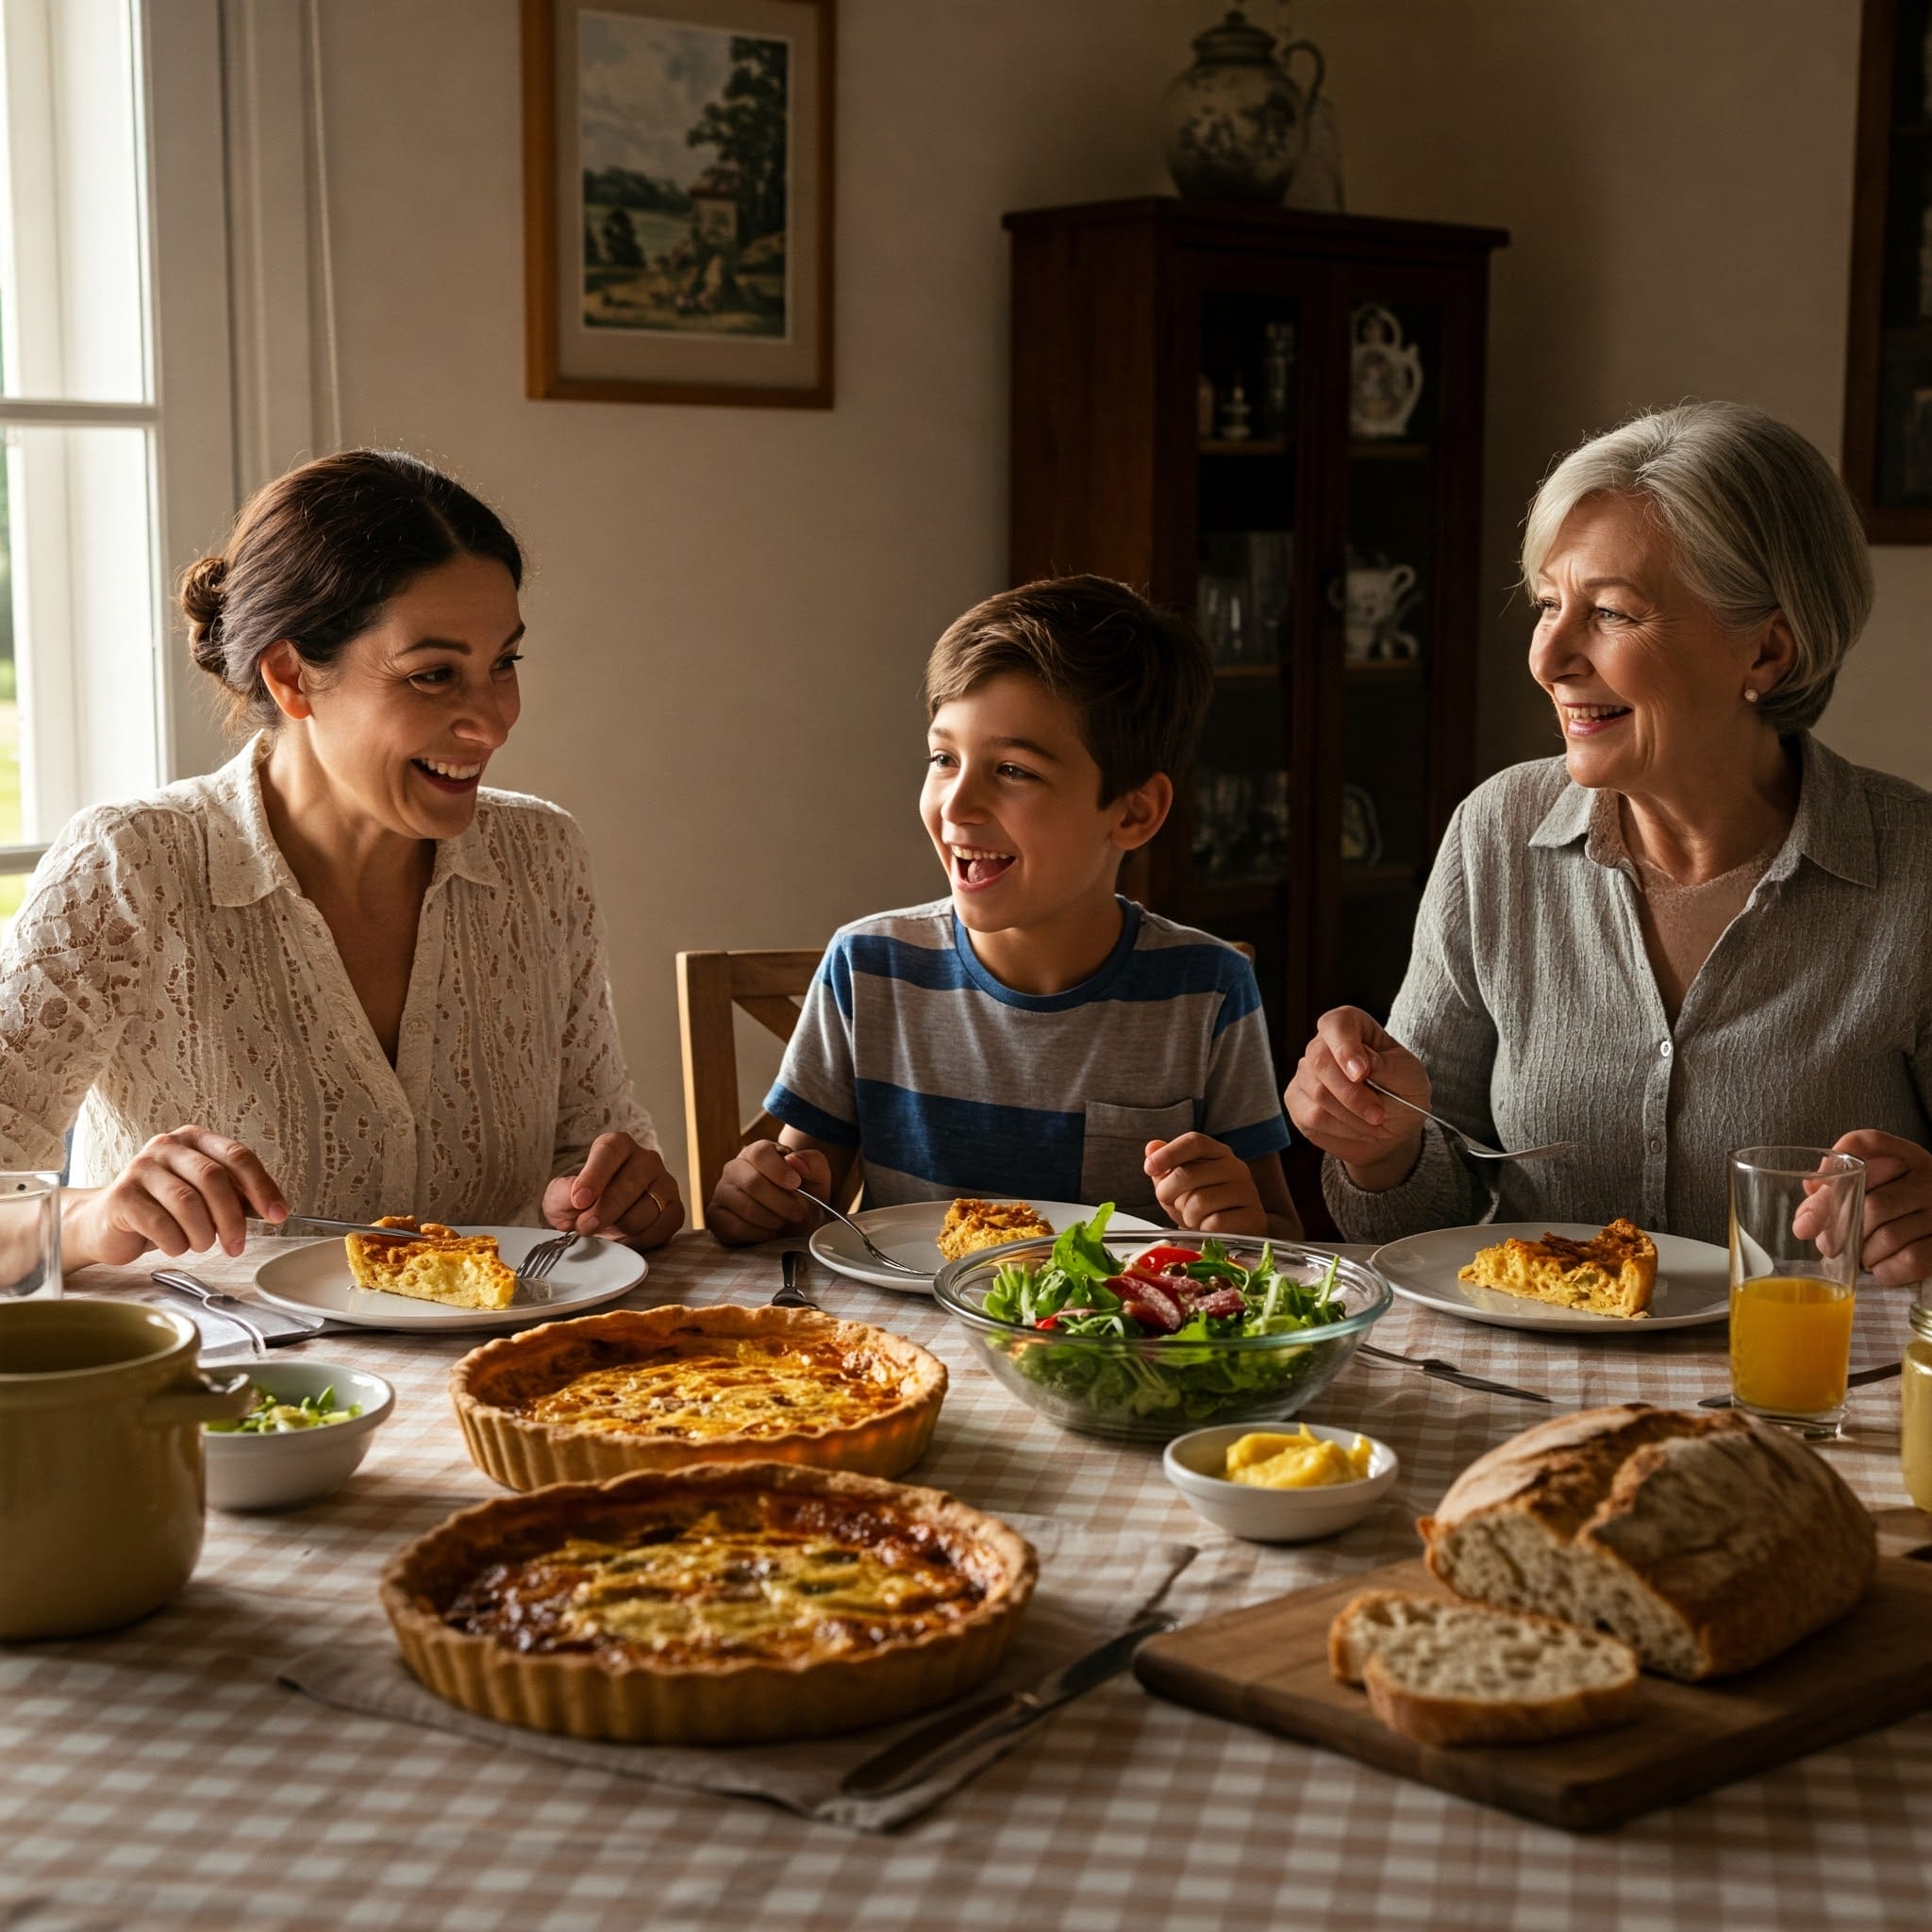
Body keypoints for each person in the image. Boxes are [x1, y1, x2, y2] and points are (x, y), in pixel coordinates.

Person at [1286, 402, 1932, 1282]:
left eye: (1614, 614)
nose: (1548, 658)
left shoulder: (1917, 869)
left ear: (1768, 654)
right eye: (1549, 604)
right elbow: (1416, 1224)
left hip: (1809, 1404)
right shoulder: (1497, 833)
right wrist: (1377, 1146)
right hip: (1527, 1396)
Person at [0, 449, 682, 1270]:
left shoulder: (541, 858)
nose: (495, 720)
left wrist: (615, 1197)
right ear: (291, 677)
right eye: (434, 675)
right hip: (227, 1392)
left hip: (509, 1381)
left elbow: (593, 1157)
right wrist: (89, 1218)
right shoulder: (128, 867)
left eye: (503, 663)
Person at [708, 575, 1301, 1243]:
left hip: (1112, 1345)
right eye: (943, 758)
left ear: (1133, 812)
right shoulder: (869, 969)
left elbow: (1274, 1231)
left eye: (1014, 770)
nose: (956, 806)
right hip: (898, 1342)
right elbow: (799, 1201)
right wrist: (762, 1197)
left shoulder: (1208, 989)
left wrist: (1240, 1221)